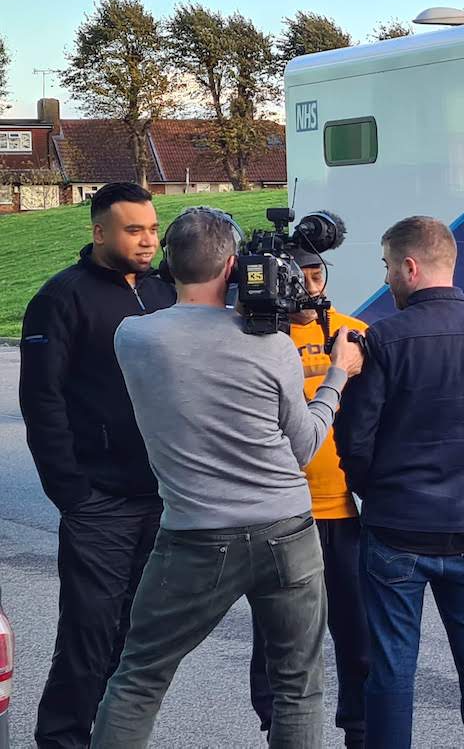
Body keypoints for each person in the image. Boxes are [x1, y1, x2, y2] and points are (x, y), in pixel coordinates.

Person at [90, 207, 365, 749]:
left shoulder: (134, 338)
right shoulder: (273, 346)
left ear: (169, 265)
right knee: (298, 689)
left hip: (193, 535)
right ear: (235, 267)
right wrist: (337, 376)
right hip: (286, 530)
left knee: (140, 677)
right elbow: (306, 443)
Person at [335, 216, 464, 749]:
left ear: (410, 266)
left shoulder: (383, 341)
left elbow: (354, 439)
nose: (388, 278)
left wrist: (376, 488)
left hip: (396, 529)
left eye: (388, 267)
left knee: (392, 668)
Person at [19, 182, 176, 749]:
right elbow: (42, 401)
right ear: (99, 231)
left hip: (162, 499)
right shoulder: (62, 298)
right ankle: (62, 740)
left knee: (138, 642)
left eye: (153, 229)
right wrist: (73, 492)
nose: (147, 240)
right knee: (88, 638)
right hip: (99, 503)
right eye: (134, 230)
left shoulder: (165, 290)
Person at [248, 249, 371, 747]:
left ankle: (359, 729)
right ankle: (279, 729)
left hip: (344, 510)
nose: (308, 288)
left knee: (358, 636)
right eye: (296, 278)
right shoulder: (256, 338)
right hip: (283, 513)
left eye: (316, 276)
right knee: (279, 640)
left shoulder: (353, 331)